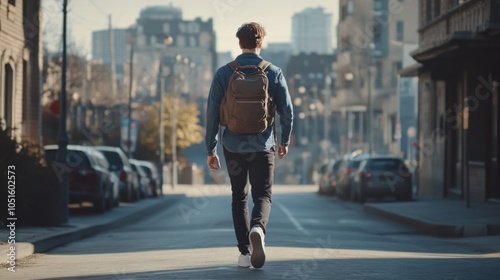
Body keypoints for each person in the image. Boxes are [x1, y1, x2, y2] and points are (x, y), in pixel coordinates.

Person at [205, 22, 293, 269]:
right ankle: (258, 229)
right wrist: (284, 140)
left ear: (239, 43)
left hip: (232, 145)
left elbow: (212, 114)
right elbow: (287, 111)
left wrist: (210, 149)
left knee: (238, 197)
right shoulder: (273, 72)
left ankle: (244, 253)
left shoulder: (224, 73)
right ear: (260, 43)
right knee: (262, 194)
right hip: (263, 144)